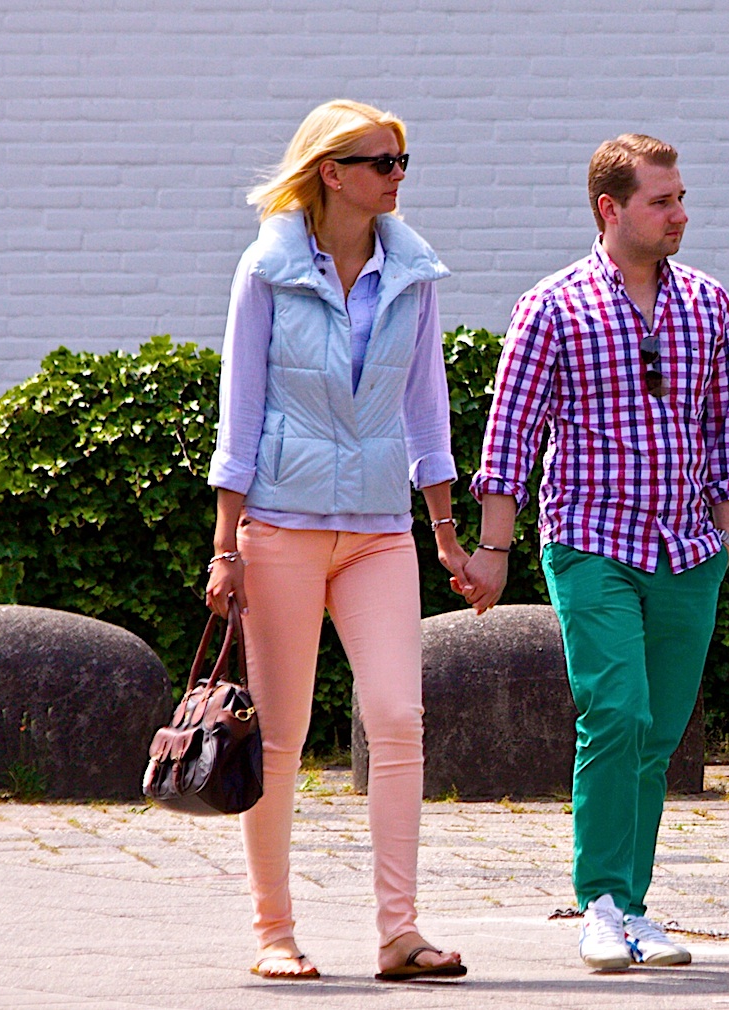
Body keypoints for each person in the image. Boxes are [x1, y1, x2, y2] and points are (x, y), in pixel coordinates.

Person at [462, 134, 729, 970]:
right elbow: (510, 436)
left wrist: (727, 539)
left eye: (680, 197)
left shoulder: (708, 303)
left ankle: (634, 905)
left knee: (657, 735)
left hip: (689, 551)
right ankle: (597, 901)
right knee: (617, 712)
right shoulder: (552, 306)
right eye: (662, 201)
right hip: (592, 543)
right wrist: (493, 550)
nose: (680, 214)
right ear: (611, 208)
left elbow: (728, 427)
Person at [205, 99, 469, 983]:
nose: (398, 176)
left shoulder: (413, 272)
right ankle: (273, 930)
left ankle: (400, 934)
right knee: (280, 735)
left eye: (402, 161)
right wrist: (227, 545)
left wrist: (445, 532)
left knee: (396, 716)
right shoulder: (268, 268)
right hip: (281, 525)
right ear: (332, 172)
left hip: (379, 531)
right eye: (382, 162)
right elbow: (239, 413)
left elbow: (426, 408)